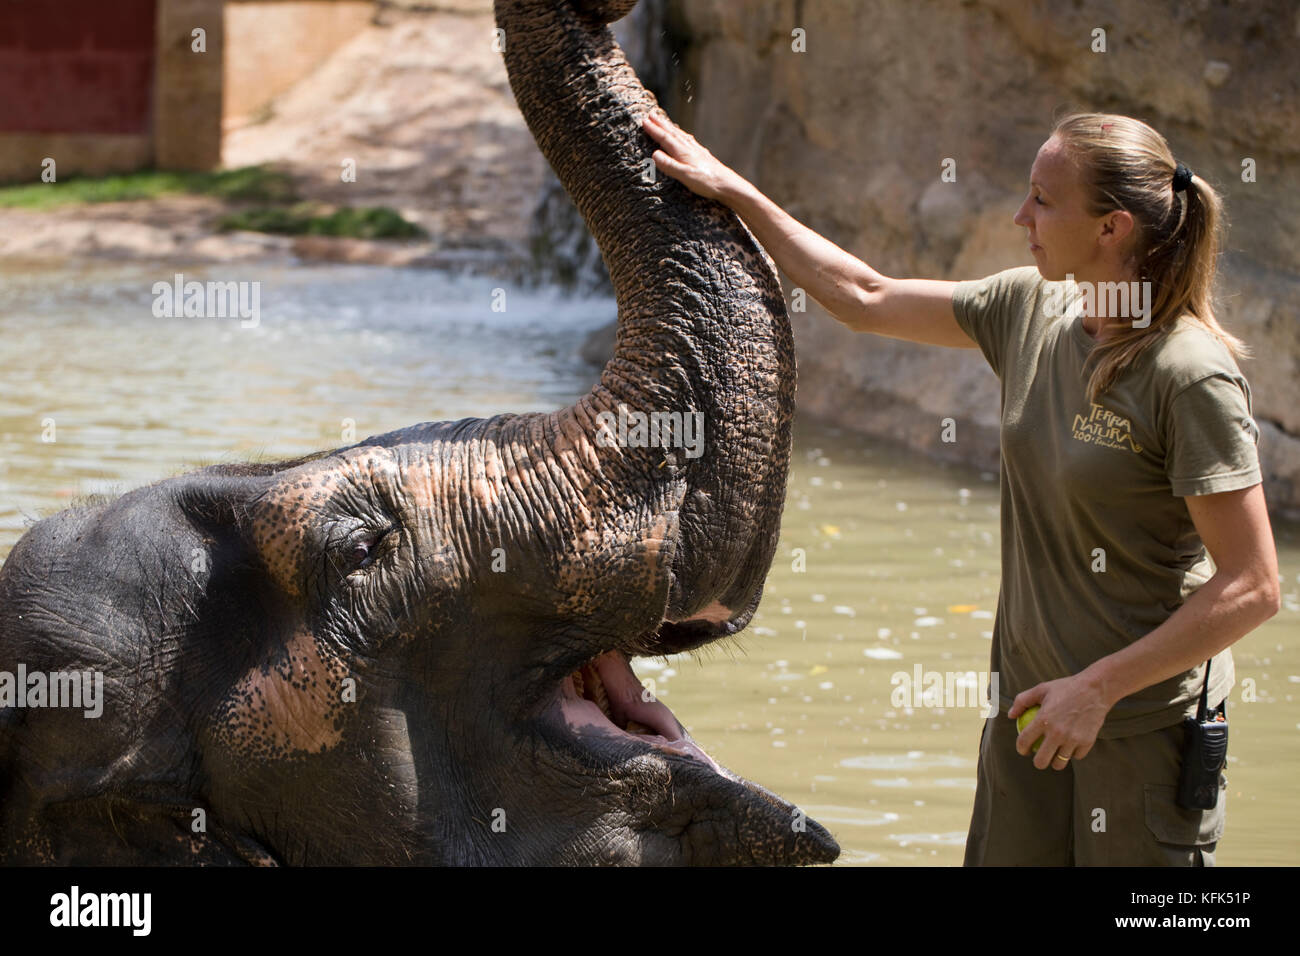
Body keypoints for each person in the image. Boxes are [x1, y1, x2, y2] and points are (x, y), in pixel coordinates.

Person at [641, 107, 1281, 866]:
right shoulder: (1030, 308)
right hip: (1028, 714)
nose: (1021, 216)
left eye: (1043, 200)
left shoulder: (1187, 372)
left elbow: (1253, 585)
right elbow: (865, 296)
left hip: (1139, 730)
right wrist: (735, 192)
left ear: (1112, 228)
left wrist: (1100, 689)